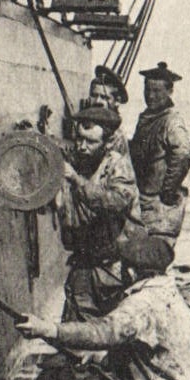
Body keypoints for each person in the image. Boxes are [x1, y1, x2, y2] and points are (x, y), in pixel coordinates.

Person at [18, 232, 190, 380]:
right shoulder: (169, 291)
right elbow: (147, 349)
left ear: (131, 271)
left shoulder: (140, 304)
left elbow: (102, 331)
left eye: (121, 265)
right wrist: (99, 357)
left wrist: (48, 329)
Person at [58, 102, 141, 321]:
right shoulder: (78, 160)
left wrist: (77, 180)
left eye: (91, 142)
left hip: (113, 265)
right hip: (85, 258)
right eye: (79, 139)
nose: (82, 147)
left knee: (112, 323)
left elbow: (114, 202)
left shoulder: (118, 166)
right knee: (75, 318)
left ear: (107, 143)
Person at [128, 60, 190, 245]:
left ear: (170, 91)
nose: (150, 96)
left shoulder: (171, 121)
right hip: (141, 200)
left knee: (151, 250)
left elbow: (184, 153)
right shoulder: (148, 118)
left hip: (156, 206)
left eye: (157, 91)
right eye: (147, 90)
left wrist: (168, 190)